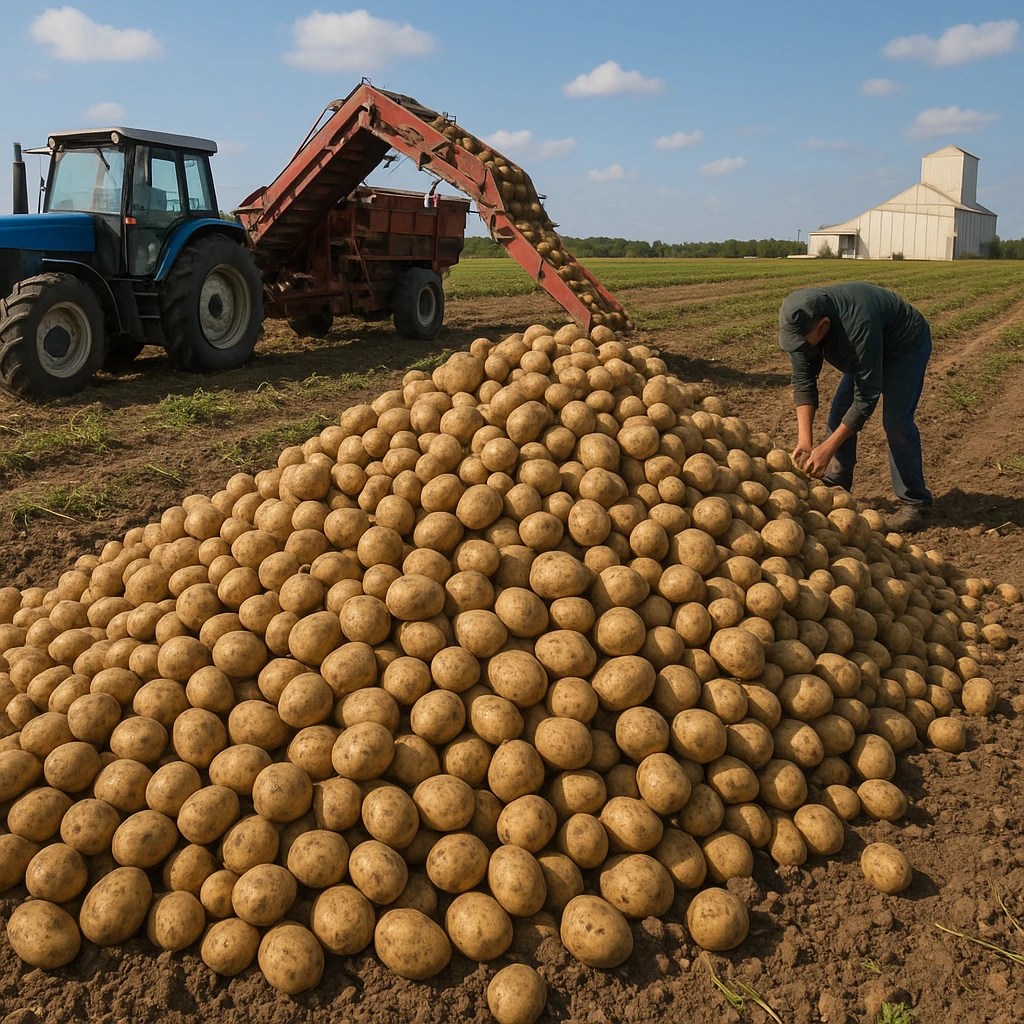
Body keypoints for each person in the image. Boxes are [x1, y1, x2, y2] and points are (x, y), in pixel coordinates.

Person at [778, 281, 933, 532]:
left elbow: (866, 397)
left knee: (896, 423)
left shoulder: (857, 324)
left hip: (905, 347)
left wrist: (827, 449)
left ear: (823, 325)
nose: (800, 348)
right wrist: (805, 442)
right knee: (839, 414)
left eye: (803, 342)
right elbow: (804, 382)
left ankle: (916, 502)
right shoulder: (800, 331)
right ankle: (837, 484)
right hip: (867, 350)